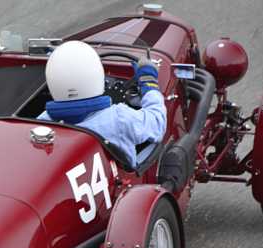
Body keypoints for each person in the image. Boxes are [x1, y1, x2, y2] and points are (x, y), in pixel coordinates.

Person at [37, 41, 166, 168]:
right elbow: (158, 124)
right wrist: (150, 84)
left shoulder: (42, 124)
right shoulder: (119, 118)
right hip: (120, 184)